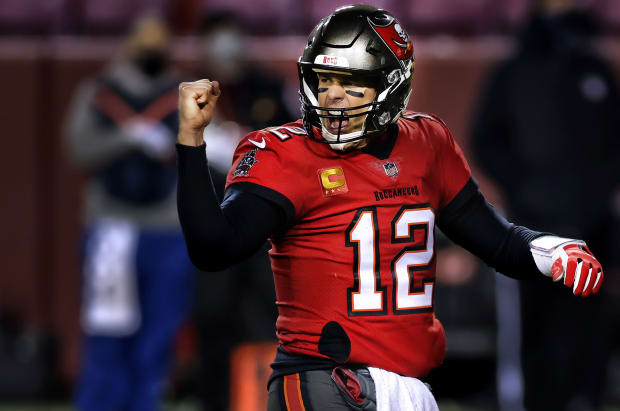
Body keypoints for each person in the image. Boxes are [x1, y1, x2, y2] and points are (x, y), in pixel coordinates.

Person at [175, 5, 604, 410]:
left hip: (410, 386)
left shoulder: (427, 142)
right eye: (323, 81)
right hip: (326, 380)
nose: (333, 96)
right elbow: (216, 247)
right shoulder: (284, 154)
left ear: (391, 84)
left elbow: (496, 240)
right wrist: (191, 142)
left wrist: (551, 252)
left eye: (350, 82)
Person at [470, 1, 620, 409]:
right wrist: (526, 189)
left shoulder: (596, 70)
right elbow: (486, 140)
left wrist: (598, 194)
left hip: (592, 228)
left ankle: (583, 398)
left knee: (586, 327)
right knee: (530, 329)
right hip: (531, 230)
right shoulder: (513, 72)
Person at [65, 16, 193, 411]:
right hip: (112, 227)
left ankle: (146, 402)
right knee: (107, 328)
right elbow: (77, 149)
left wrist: (175, 142)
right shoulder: (100, 92)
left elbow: (213, 150)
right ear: (129, 44)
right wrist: (125, 137)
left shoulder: (184, 95)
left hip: (166, 227)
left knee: (160, 330)